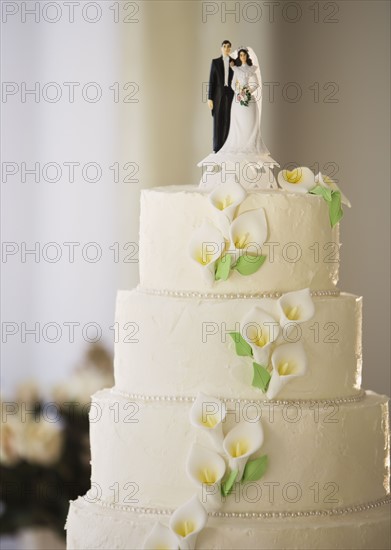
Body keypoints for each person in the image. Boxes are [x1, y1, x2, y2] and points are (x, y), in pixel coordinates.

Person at [208, 40, 235, 153]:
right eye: (224, 46)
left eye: (228, 46)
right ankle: (217, 146)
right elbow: (211, 81)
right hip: (218, 94)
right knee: (218, 119)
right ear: (221, 48)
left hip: (230, 92)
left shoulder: (234, 62)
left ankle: (227, 145)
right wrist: (210, 98)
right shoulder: (215, 62)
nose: (226, 48)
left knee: (228, 118)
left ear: (230, 48)